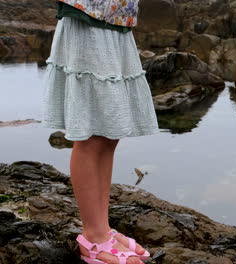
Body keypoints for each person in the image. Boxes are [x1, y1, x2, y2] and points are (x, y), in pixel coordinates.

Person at [41, 1, 157, 263]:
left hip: (117, 19)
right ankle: (93, 237)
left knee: (108, 135)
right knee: (92, 135)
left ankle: (102, 227)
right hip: (88, 18)